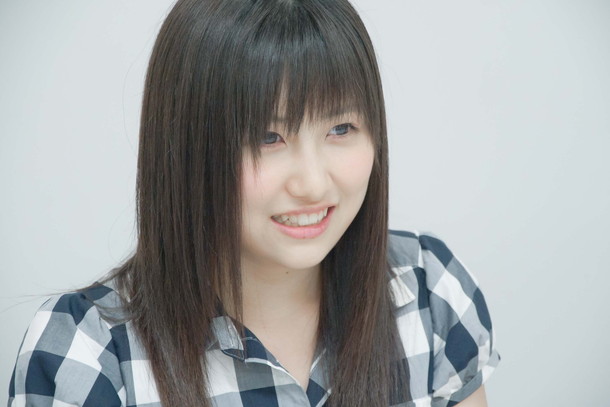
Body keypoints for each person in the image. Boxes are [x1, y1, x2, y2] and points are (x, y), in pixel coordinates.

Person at [8, 0, 500, 406]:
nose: (313, 183)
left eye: (341, 128)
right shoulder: (90, 351)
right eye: (268, 137)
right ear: (186, 146)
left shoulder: (428, 292)